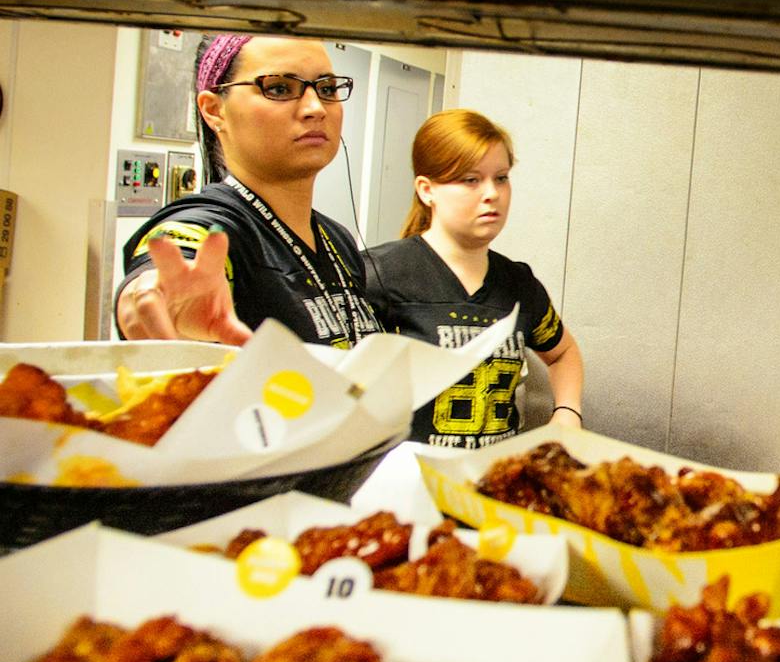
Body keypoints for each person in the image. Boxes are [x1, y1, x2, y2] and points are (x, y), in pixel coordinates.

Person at [116, 34, 380, 348]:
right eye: (279, 88)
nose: (315, 108)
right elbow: (169, 265)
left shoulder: (337, 239)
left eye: (326, 89)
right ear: (214, 110)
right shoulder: (214, 229)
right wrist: (151, 300)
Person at [364, 109, 585, 448]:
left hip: (492, 472)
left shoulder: (519, 283)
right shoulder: (378, 273)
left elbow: (563, 352)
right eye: (471, 180)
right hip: (407, 474)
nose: (492, 193)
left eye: (501, 178)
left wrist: (568, 411)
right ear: (427, 190)